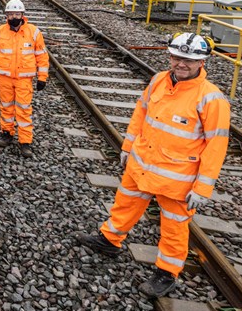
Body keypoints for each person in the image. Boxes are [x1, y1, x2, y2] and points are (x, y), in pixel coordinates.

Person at [77, 33, 230, 297]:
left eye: (188, 60)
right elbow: (141, 113)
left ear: (202, 62)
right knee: (124, 204)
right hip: (141, 165)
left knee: (173, 227)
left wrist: (203, 188)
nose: (181, 64)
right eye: (176, 57)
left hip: (177, 178)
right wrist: (127, 146)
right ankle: (109, 240)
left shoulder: (211, 99)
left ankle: (166, 273)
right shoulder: (159, 80)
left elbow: (217, 146)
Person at [0, 0, 48, 157]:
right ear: (6, 16)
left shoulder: (34, 33)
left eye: (16, 14)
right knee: (6, 107)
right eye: (10, 14)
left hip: (24, 80)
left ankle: (25, 142)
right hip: (4, 78)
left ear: (22, 15)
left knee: (24, 110)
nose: (13, 17)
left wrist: (42, 77)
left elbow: (42, 56)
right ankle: (7, 133)